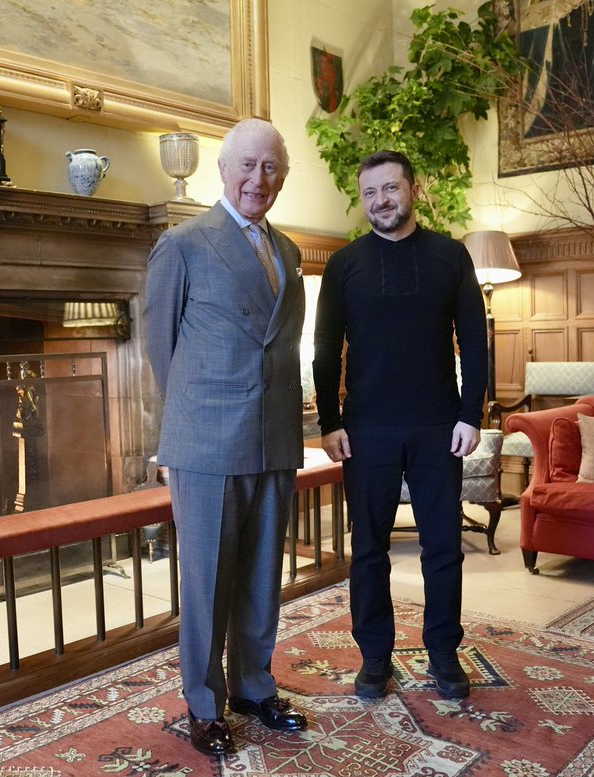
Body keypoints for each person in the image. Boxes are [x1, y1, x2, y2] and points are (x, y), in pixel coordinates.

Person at [143, 118, 307, 757]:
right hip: (207, 441)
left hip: (274, 439)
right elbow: (162, 351)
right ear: (222, 169)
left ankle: (254, 687)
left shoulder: (288, 252)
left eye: (270, 168)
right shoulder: (182, 244)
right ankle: (204, 704)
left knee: (264, 574)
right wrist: (188, 425)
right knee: (208, 582)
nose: (257, 179)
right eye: (246, 165)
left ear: (282, 178)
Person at [312, 150, 487, 701]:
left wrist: (469, 413)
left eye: (390, 189)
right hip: (366, 430)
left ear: (413, 189)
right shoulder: (344, 265)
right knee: (368, 551)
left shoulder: (450, 256)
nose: (381, 201)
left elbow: (476, 341)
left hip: (439, 425)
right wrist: (329, 421)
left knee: (444, 549)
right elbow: (324, 350)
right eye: (370, 193)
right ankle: (374, 658)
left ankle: (443, 654)